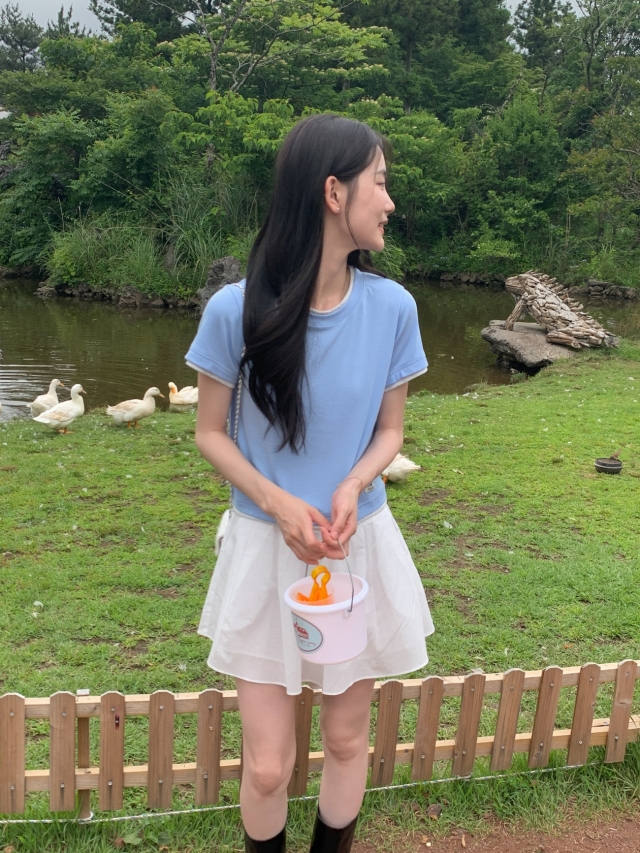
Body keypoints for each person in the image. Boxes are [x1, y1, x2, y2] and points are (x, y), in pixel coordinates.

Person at [186, 113, 434, 853]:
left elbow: (390, 432)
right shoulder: (234, 310)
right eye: (379, 183)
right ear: (334, 192)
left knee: (348, 740)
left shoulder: (393, 308)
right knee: (268, 767)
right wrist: (277, 501)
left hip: (355, 548)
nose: (390, 201)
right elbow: (209, 432)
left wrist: (353, 483)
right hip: (265, 550)